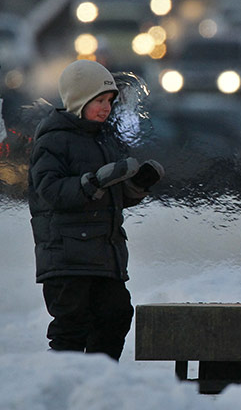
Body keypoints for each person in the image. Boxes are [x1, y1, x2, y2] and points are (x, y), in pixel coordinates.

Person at [28, 59, 164, 360]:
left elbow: (111, 196)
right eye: (99, 101)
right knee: (71, 327)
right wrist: (92, 182)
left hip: (104, 255)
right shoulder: (53, 139)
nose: (106, 107)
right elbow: (49, 191)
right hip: (67, 257)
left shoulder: (105, 139)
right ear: (78, 100)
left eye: (110, 101)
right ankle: (63, 391)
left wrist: (135, 187)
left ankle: (101, 382)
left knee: (116, 315)